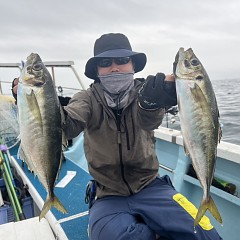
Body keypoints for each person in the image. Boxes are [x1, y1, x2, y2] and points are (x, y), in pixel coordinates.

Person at [12, 33, 223, 240]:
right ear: (97, 70)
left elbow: (148, 121)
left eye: (122, 60)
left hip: (152, 186)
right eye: (105, 62)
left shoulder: (146, 92)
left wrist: (153, 103)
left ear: (133, 65)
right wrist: (37, 107)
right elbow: (67, 126)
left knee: (206, 233)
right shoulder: (86, 99)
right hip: (108, 195)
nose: (114, 67)